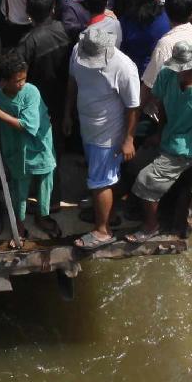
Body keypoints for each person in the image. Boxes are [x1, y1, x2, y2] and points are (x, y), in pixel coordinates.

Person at [129, 40, 192, 242]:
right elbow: (161, 105)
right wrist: (159, 133)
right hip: (166, 135)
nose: (180, 73)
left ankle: (151, 226)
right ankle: (140, 209)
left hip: (183, 148)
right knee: (133, 164)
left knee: (145, 180)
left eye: (184, 70)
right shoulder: (167, 75)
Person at [68, 19, 141, 249]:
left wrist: (128, 139)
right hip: (86, 126)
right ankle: (106, 213)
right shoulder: (78, 51)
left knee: (101, 181)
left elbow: (133, 106)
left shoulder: (124, 67)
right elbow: (72, 82)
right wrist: (66, 115)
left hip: (108, 134)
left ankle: (103, 230)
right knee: (101, 176)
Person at [0, 53, 59, 241]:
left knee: (44, 182)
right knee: (19, 188)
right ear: (3, 81)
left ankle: (43, 216)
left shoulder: (31, 92)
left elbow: (28, 125)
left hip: (39, 146)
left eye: (23, 79)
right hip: (15, 150)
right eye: (17, 81)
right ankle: (19, 222)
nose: (21, 84)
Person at [16, 0, 72, 129]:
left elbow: (16, 75)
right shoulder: (65, 29)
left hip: (38, 106)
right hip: (64, 99)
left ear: (28, 13)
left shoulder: (28, 42)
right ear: (53, 9)